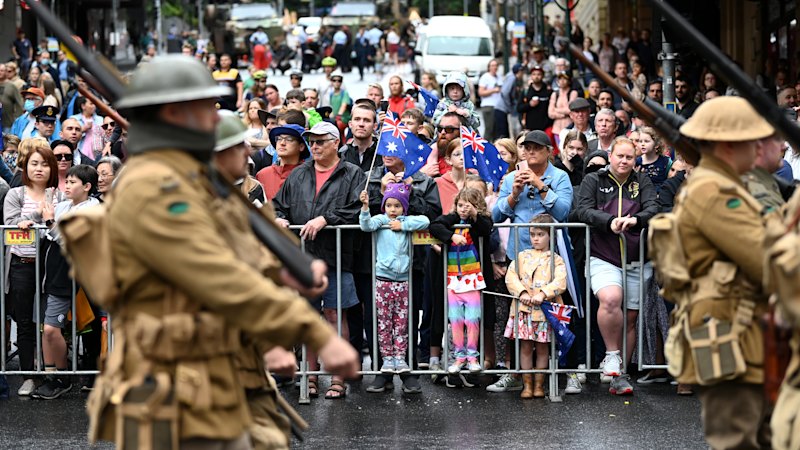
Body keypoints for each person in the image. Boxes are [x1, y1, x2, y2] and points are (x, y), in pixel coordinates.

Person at [89, 55, 359, 447]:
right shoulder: (154, 185)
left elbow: (247, 249)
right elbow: (213, 270)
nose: (212, 116)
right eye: (201, 106)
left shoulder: (198, 180)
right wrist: (313, 334)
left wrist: (283, 271)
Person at [654, 96, 774, 449]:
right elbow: (766, 259)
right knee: (739, 436)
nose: (759, 145)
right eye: (751, 138)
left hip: (735, 324)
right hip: (726, 329)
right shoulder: (714, 191)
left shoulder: (722, 185)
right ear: (727, 145)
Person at [272, 120, 365, 400]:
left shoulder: (352, 173)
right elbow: (279, 204)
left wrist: (326, 219)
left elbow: (358, 208)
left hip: (337, 255)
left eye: (321, 141)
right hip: (304, 257)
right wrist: (279, 218)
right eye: (312, 141)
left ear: (336, 142)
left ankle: (338, 377)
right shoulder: (298, 174)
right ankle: (309, 378)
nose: (314, 146)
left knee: (336, 316)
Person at [576, 137, 658, 395]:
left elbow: (654, 209)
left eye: (629, 157)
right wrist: (609, 221)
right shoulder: (594, 180)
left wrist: (636, 220)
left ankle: (619, 376)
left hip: (636, 256)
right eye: (620, 156)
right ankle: (612, 355)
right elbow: (582, 210)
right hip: (603, 254)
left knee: (630, 318)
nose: (624, 161)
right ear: (610, 155)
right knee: (611, 299)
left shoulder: (641, 180)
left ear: (635, 160)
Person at [34, 164, 99, 399]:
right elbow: (41, 223)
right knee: (46, 328)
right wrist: (33, 218)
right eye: (67, 182)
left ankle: (63, 377)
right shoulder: (63, 205)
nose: (67, 185)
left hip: (70, 277)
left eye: (73, 182)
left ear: (87, 186)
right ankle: (51, 376)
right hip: (48, 273)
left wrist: (51, 222)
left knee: (52, 328)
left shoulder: (93, 209)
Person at [4, 140, 63, 396]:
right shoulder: (14, 194)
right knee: (26, 321)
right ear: (25, 167)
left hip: (50, 265)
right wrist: (33, 218)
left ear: (52, 168)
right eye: (33, 164)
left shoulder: (60, 195)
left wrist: (40, 219)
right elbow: (11, 223)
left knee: (49, 321)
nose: (39, 169)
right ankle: (29, 374)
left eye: (44, 164)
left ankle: (54, 373)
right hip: (21, 265)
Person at [359, 184, 430, 373]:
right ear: (384, 206)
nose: (393, 210)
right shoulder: (381, 219)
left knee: (401, 322)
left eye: (397, 206)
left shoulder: (406, 221)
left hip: (403, 280)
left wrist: (403, 225)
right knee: (384, 322)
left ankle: (400, 357)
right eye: (389, 205)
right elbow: (366, 226)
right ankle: (387, 359)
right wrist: (365, 208)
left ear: (404, 208)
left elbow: (425, 221)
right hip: (383, 279)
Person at [503, 214, 568, 398]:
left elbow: (560, 281)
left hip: (544, 313)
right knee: (525, 347)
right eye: (532, 234)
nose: (536, 238)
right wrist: (522, 292)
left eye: (540, 234)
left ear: (550, 236)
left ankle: (539, 385)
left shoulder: (556, 260)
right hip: (523, 311)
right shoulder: (522, 256)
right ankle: (527, 384)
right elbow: (511, 276)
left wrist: (543, 293)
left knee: (542, 348)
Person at [429, 187, 493, 374]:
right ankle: (459, 357)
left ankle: (473, 357)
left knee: (472, 319)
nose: (464, 209)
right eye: (461, 205)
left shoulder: (481, 221)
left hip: (473, 279)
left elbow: (486, 228)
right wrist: (452, 236)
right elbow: (435, 225)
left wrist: (474, 216)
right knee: (455, 320)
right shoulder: (452, 221)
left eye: (469, 206)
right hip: (453, 280)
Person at [492, 130, 573, 257]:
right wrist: (514, 195)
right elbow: (495, 217)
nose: (531, 151)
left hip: (552, 254)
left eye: (537, 148)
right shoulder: (511, 178)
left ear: (549, 151)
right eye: (527, 148)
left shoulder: (560, 176)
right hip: (518, 253)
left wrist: (540, 185)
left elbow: (562, 213)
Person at [213, 111, 265, 205]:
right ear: (218, 154)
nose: (248, 152)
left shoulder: (254, 187)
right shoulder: (200, 194)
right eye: (239, 146)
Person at [256, 124, 308, 201]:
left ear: (301, 146)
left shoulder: (308, 175)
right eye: (279, 139)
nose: (282, 143)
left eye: (289, 139)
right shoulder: (263, 175)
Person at [340, 103, 377, 172]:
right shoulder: (341, 155)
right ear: (350, 124)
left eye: (366, 120)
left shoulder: (383, 154)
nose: (361, 124)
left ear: (374, 126)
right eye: (357, 119)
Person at [635, 126, 672, 191]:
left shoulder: (665, 162)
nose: (642, 144)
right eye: (640, 141)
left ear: (656, 144)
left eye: (646, 141)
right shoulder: (637, 162)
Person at [517, 65, 552, 132]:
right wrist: (529, 105)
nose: (536, 76)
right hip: (530, 127)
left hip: (546, 128)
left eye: (539, 74)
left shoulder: (548, 91)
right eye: (534, 74)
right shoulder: (526, 91)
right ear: (531, 76)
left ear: (543, 76)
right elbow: (519, 108)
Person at [548, 72, 578, 139]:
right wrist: (563, 115)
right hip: (557, 128)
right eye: (560, 79)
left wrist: (556, 109)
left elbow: (570, 109)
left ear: (569, 81)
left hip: (570, 127)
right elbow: (550, 113)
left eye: (564, 79)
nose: (562, 81)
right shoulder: (555, 94)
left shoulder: (573, 93)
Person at [478, 59, 503, 140]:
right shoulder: (485, 77)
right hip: (488, 106)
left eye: (496, 65)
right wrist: (493, 90)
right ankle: (485, 148)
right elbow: (481, 92)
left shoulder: (499, 77)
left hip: (498, 106)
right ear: (489, 67)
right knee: (489, 129)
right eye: (492, 65)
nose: (494, 67)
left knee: (497, 130)